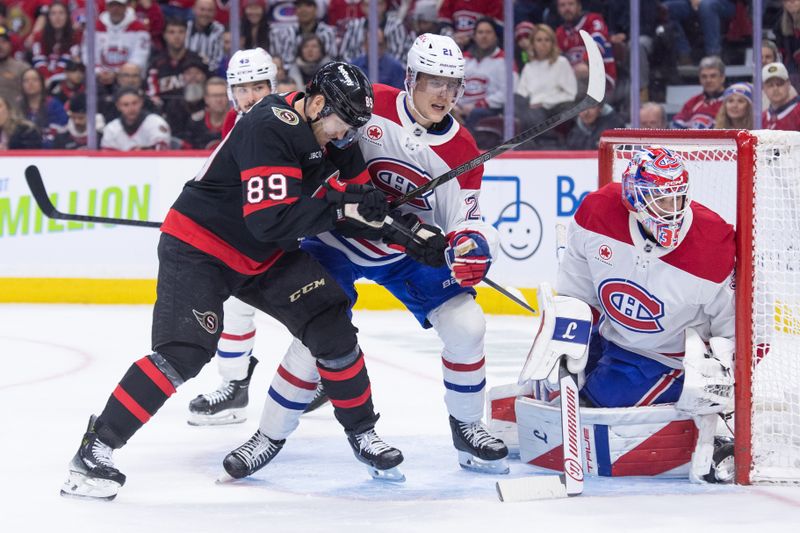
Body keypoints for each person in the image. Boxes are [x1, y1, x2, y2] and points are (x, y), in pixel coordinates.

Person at [61, 61, 404, 501]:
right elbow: (270, 219)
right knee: (184, 352)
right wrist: (342, 207)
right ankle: (95, 449)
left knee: (329, 320)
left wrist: (406, 234)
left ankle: (363, 434)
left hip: (262, 255)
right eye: (341, 124)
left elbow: (364, 203)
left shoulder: (337, 134)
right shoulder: (269, 124)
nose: (345, 136)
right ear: (317, 104)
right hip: (200, 248)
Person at [222, 33, 509, 481]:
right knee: (315, 334)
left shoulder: (464, 150)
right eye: (435, 81)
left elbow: (466, 222)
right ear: (412, 77)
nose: (445, 94)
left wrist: (471, 246)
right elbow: (319, 144)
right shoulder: (369, 104)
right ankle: (268, 435)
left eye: (453, 84)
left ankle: (468, 426)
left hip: (407, 251)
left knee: (469, 325)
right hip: (338, 238)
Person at [187, 46, 329, 426]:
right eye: (242, 88)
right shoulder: (236, 123)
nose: (250, 96)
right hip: (261, 236)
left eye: (258, 86)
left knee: (318, 306)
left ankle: (325, 371)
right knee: (234, 305)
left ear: (274, 85)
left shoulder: (294, 119)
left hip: (299, 230)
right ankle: (234, 387)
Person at [514, 23, 577, 135]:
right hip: (531, 110)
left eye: (547, 40)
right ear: (533, 44)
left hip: (554, 110)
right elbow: (521, 93)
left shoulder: (561, 63)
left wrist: (543, 102)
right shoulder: (529, 66)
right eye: (539, 40)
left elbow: (570, 94)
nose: (543, 43)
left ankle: (547, 139)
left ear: (553, 43)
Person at [100, 87, 171, 151]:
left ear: (141, 102)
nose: (131, 108)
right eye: (126, 105)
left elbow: (161, 151)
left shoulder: (156, 122)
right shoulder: (111, 128)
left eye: (134, 103)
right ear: (118, 106)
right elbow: (107, 157)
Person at [671, 55, 726, 129]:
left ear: (722, 78)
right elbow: (677, 125)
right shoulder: (693, 102)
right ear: (699, 79)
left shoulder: (731, 102)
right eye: (704, 76)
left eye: (713, 76)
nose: (708, 80)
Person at [762, 61, 800, 130]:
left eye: (779, 84)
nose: (775, 89)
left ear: (788, 84)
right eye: (770, 85)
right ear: (764, 88)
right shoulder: (762, 118)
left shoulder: (798, 111)